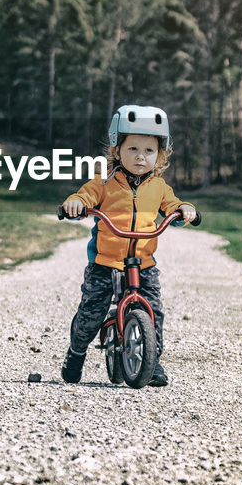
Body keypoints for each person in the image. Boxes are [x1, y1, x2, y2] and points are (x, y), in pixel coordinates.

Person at [60, 105, 197, 387]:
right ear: (116, 149)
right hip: (105, 263)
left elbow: (172, 205)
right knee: (91, 313)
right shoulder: (104, 182)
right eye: (132, 148)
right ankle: (76, 352)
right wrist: (76, 204)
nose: (140, 156)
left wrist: (184, 209)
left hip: (143, 264)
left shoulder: (158, 187)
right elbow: (85, 196)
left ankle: (152, 360)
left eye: (149, 151)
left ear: (160, 154)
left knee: (153, 312)